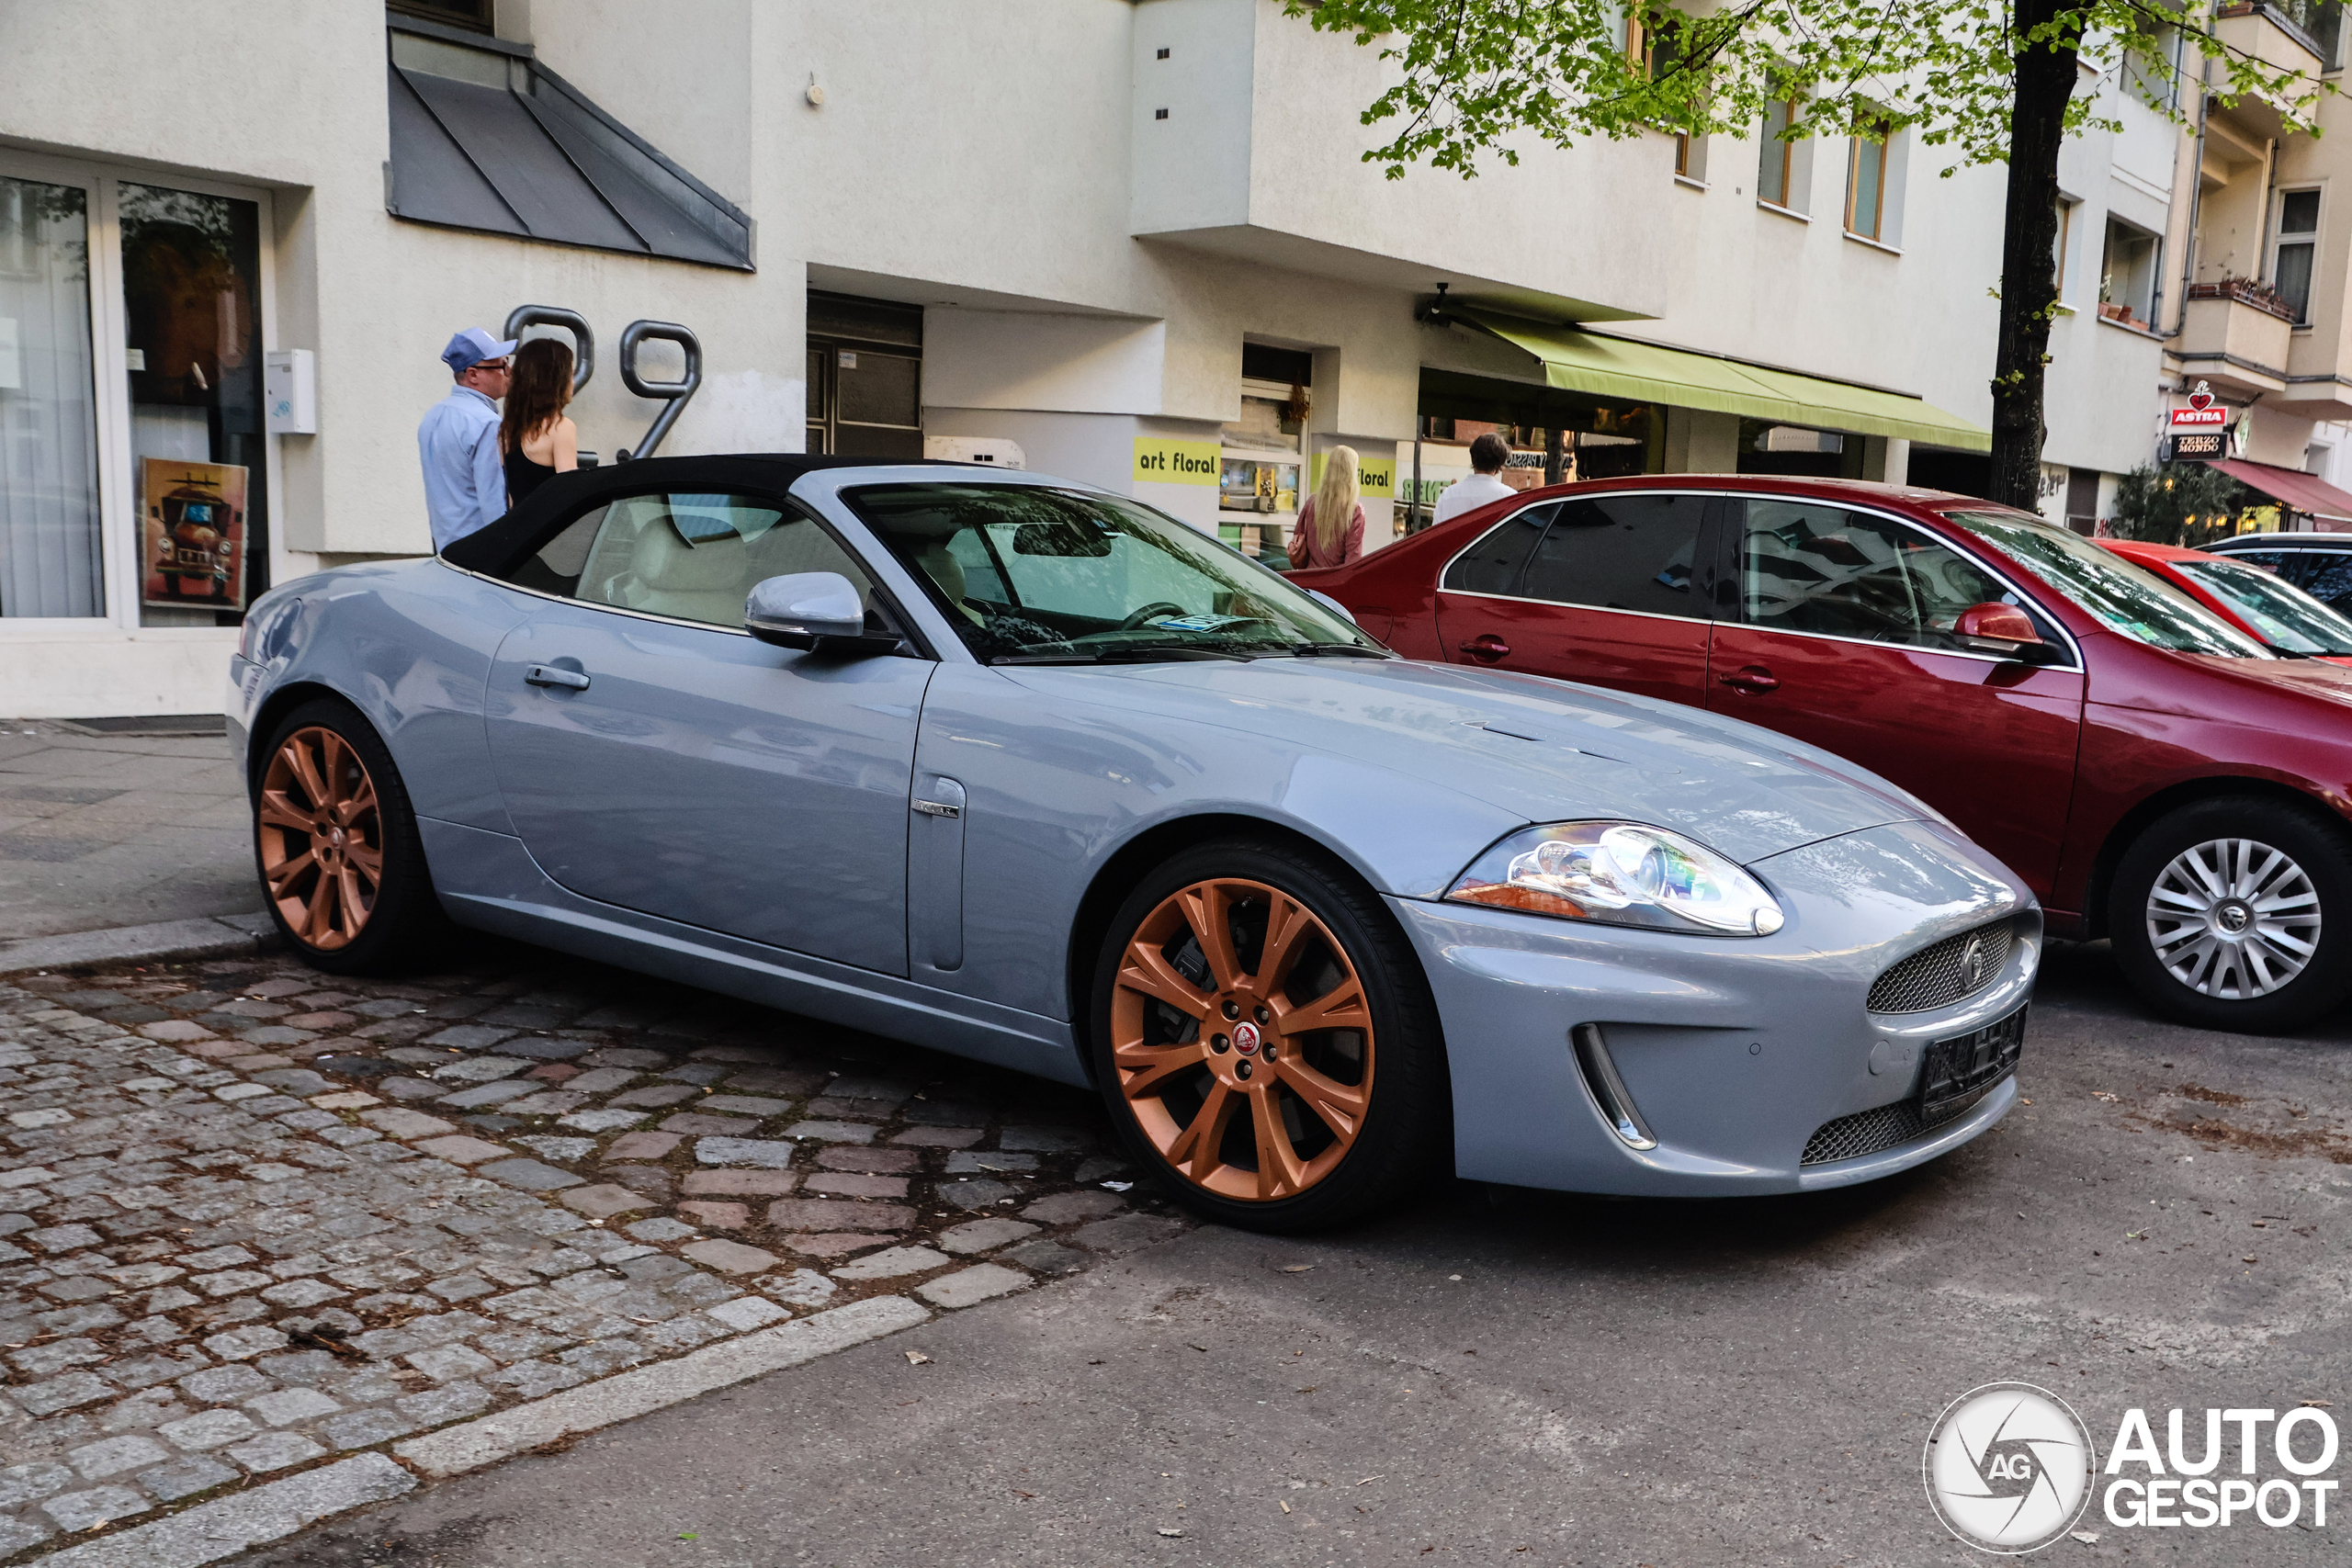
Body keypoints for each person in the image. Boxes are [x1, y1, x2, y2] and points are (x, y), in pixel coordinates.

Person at [417, 326, 515, 550]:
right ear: (473, 374)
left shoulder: (432, 416)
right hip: (480, 554)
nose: (508, 370)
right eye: (501, 364)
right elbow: (494, 504)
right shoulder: (487, 424)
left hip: (445, 552)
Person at [500, 337, 580, 508]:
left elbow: (510, 496)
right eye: (570, 375)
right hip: (549, 531)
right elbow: (570, 493)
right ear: (555, 381)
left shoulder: (507, 429)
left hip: (519, 527)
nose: (572, 383)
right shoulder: (560, 427)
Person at [1288, 444, 1367, 570]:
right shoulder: (1354, 510)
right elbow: (1353, 559)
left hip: (1308, 580)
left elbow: (1298, 540)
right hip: (1334, 584)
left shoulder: (1311, 503)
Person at [1432, 432, 1517, 524]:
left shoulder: (1448, 495)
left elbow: (1435, 533)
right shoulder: (1510, 498)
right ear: (1499, 463)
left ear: (1473, 458)